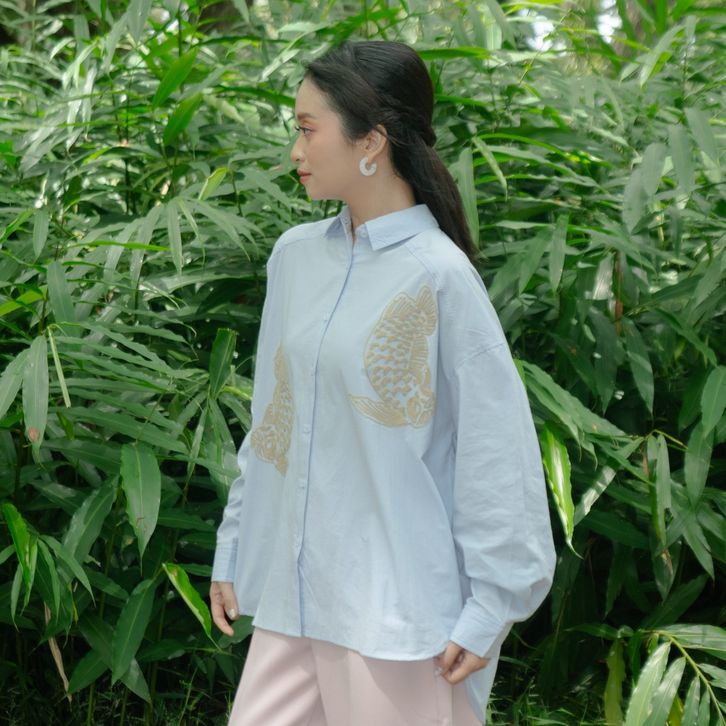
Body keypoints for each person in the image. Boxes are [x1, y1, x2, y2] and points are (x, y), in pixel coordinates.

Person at [209, 40, 555, 726]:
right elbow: (273, 421)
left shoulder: (439, 275)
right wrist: (236, 546)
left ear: (371, 141)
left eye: (308, 129)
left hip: (395, 618)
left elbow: (494, 450)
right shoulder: (295, 259)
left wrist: (492, 605)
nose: (294, 151)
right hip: (292, 601)